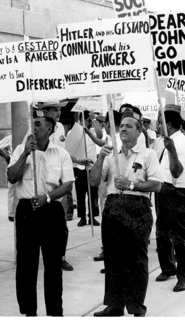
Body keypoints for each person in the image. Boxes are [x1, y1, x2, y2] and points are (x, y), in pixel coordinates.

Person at [89, 106, 162, 317]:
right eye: (121, 126)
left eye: (129, 126)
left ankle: (137, 306)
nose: (123, 129)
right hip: (113, 207)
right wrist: (101, 158)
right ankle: (114, 305)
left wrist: (131, 185)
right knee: (113, 258)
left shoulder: (148, 154)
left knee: (137, 259)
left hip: (137, 208)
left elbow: (156, 185)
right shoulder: (111, 155)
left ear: (139, 132)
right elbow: (94, 181)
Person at [7, 109, 74, 316]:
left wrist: (47, 198)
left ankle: (55, 312)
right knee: (26, 264)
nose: (33, 128)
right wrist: (26, 154)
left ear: (50, 128)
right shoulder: (20, 150)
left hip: (50, 209)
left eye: (38, 124)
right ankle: (29, 312)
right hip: (27, 211)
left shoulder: (61, 154)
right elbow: (11, 176)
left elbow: (68, 185)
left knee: (53, 265)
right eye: (32, 123)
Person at [40, 102, 73, 272]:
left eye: (60, 109)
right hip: (42, 184)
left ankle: (61, 257)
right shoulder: (35, 128)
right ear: (45, 111)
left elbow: (63, 152)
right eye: (55, 109)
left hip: (60, 184)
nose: (59, 112)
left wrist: (78, 161)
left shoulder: (60, 127)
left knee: (61, 224)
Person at [155, 104, 185, 292]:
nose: (158, 125)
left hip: (176, 191)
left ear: (170, 124)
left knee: (179, 236)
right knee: (162, 232)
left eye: (160, 122)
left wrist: (172, 151)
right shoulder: (163, 140)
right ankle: (167, 268)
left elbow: (177, 171)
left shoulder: (179, 143)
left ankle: (183, 276)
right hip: (163, 190)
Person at [73, 110, 102, 227]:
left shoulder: (93, 131)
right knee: (80, 195)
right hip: (79, 167)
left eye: (88, 120)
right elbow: (70, 149)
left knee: (93, 194)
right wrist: (79, 160)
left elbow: (100, 136)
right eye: (84, 120)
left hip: (92, 168)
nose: (86, 122)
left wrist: (94, 119)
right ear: (80, 120)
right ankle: (82, 217)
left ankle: (92, 216)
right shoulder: (73, 132)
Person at [0, 134, 18, 221]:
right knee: (12, 189)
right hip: (13, 165)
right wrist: (6, 156)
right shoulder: (10, 138)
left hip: (25, 165)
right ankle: (11, 213)